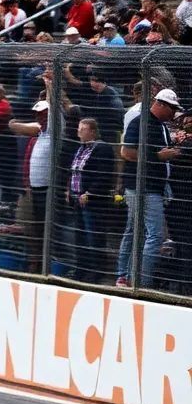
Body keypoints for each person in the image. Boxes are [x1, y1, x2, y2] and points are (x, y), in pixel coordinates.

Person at [118, 88, 182, 289]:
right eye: (172, 108)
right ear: (160, 104)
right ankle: (141, 281)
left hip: (154, 187)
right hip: (143, 188)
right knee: (154, 235)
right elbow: (126, 152)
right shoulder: (140, 122)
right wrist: (158, 157)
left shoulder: (161, 126)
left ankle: (126, 276)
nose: (174, 113)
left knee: (134, 231)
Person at [66, 118, 115, 284]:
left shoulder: (102, 149)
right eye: (79, 129)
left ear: (93, 131)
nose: (78, 132)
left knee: (93, 236)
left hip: (92, 201)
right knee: (80, 236)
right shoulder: (81, 148)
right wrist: (69, 189)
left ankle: (96, 271)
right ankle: (81, 268)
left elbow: (104, 175)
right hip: (76, 196)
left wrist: (90, 192)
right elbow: (74, 170)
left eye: (82, 129)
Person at [9, 101, 54, 273]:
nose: (39, 118)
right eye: (37, 115)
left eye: (43, 114)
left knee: (45, 226)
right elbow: (13, 126)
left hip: (46, 188)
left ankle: (45, 264)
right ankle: (33, 262)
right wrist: (26, 183)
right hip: (29, 187)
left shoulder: (52, 133)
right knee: (31, 227)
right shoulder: (36, 136)